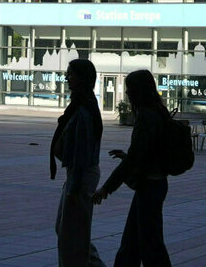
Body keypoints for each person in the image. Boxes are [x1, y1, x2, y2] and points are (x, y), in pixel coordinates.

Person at [93, 69, 172, 267]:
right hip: (156, 183)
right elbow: (146, 153)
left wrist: (106, 188)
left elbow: (136, 158)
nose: (127, 93)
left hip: (149, 186)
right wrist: (128, 157)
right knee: (135, 242)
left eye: (130, 89)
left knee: (148, 245)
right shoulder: (158, 112)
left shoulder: (146, 117)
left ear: (139, 91)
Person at [50, 59, 105, 267]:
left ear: (82, 79)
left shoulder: (83, 109)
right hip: (76, 174)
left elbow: (82, 151)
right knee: (67, 230)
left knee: (71, 235)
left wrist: (74, 186)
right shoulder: (81, 104)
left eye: (70, 74)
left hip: (80, 176)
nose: (66, 78)